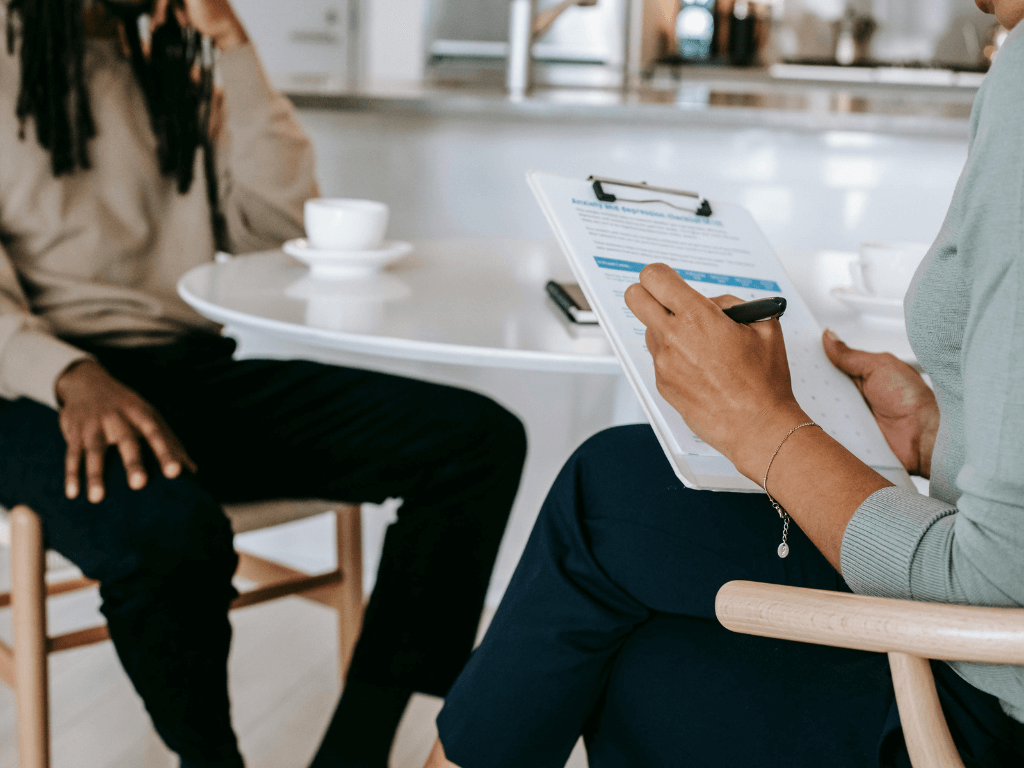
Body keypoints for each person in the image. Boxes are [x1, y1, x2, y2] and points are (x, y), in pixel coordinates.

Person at [422, 1, 1024, 766]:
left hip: (991, 714)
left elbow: (999, 589)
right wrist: (940, 433)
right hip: (983, 671)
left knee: (610, 496)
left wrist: (761, 427)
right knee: (621, 596)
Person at [0, 1, 526, 767]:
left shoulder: (175, 65)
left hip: (187, 369)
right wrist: (68, 373)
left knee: (476, 442)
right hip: (33, 385)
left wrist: (235, 49)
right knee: (169, 533)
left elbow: (275, 230)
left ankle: (357, 748)